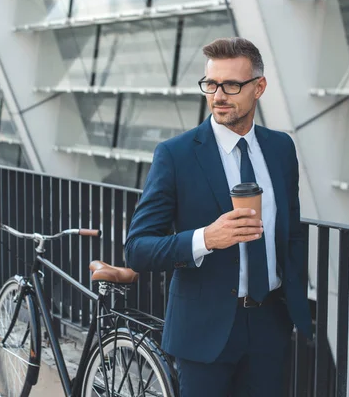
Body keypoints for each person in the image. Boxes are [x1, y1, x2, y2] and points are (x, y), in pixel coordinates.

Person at [124, 37, 312, 396]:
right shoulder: (175, 155)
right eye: (210, 84)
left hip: (269, 325)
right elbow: (137, 249)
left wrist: (291, 302)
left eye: (231, 85)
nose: (218, 95)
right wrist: (205, 239)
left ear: (259, 88)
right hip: (203, 331)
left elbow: (292, 230)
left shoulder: (281, 148)